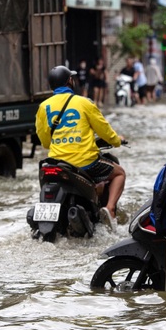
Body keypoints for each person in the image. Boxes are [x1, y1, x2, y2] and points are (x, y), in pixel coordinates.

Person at [36, 65, 126, 230]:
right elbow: (104, 130)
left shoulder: (43, 107)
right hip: (85, 163)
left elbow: (45, 141)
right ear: (70, 81)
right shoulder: (84, 103)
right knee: (119, 173)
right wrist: (117, 141)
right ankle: (110, 209)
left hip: (55, 163)